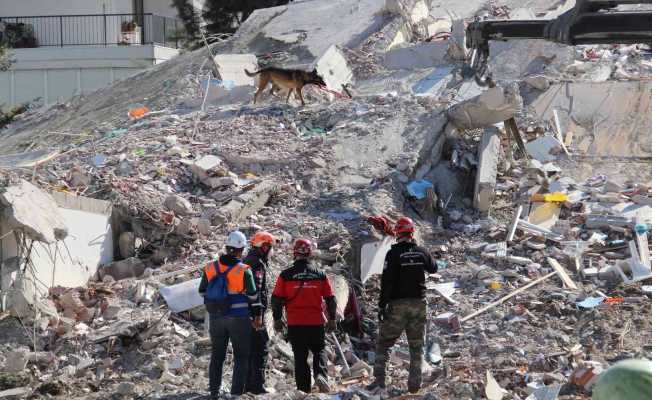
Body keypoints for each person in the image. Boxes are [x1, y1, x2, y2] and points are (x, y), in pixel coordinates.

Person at [368, 217, 437, 393]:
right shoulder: (421, 251)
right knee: (416, 346)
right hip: (419, 304)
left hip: (397, 305)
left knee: (385, 343)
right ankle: (414, 386)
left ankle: (379, 382)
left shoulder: (393, 254)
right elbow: (434, 268)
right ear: (412, 232)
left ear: (397, 233)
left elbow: (387, 282)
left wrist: (382, 305)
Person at [198, 231, 262, 398]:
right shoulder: (244, 270)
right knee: (241, 357)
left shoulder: (210, 267)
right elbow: (254, 297)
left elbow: (202, 291)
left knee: (217, 355)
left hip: (216, 317)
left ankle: (214, 392)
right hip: (239, 319)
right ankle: (235, 394)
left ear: (227, 248)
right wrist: (257, 317)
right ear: (241, 250)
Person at [271, 238, 338, 393]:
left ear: (295, 253)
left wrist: (277, 319)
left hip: (295, 322)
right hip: (315, 321)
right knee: (319, 350)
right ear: (309, 254)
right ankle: (321, 375)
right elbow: (330, 298)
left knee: (300, 356)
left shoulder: (286, 275)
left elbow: (276, 299)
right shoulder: (320, 274)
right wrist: (332, 319)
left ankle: (303, 390)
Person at [243, 231, 277, 394]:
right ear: (263, 247)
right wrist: (258, 315)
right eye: (270, 247)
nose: (271, 251)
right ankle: (257, 386)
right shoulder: (257, 264)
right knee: (261, 348)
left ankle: (246, 385)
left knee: (249, 349)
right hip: (254, 313)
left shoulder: (247, 261)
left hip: (243, 313)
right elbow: (255, 292)